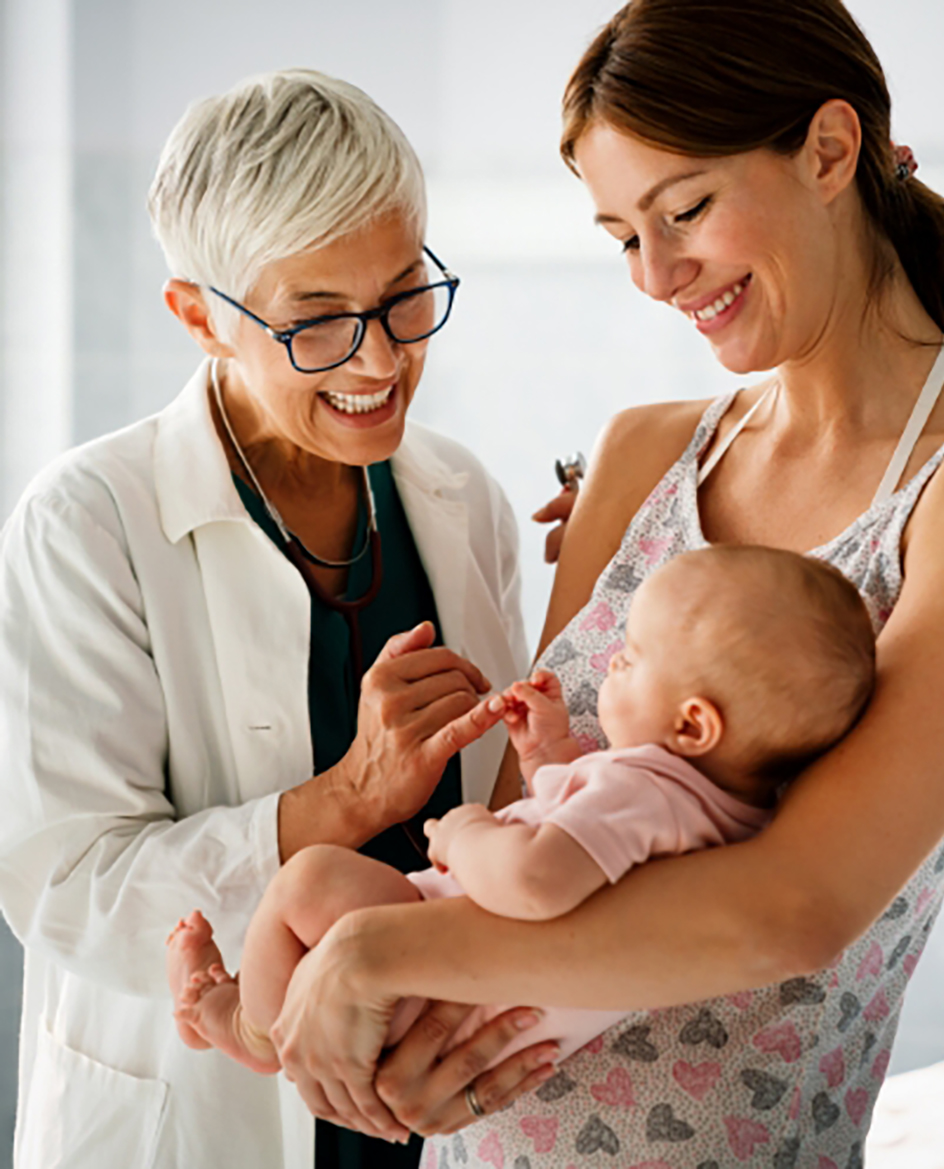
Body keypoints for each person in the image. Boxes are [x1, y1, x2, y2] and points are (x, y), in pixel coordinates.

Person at [256, 2, 944, 1165]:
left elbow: (796, 906)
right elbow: (543, 828)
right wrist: (405, 1026)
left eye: (684, 209)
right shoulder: (643, 454)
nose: (658, 274)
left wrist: (381, 956)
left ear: (831, 150)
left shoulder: (942, 489)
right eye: (622, 235)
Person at [0, 69, 554, 1169]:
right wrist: (345, 799)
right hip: (202, 1116)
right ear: (198, 314)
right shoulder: (90, 521)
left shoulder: (461, 495)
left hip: (436, 1091)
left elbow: (516, 807)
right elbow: (66, 887)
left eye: (405, 295)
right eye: (318, 324)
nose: (382, 359)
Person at [166, 544, 875, 1083]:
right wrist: (549, 753)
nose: (612, 667)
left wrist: (466, 831)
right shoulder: (717, 810)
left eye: (630, 658)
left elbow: (538, 881)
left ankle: (249, 1028)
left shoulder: (645, 787)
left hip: (436, 973)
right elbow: (585, 846)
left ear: (693, 726)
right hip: (487, 1009)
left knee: (309, 880)